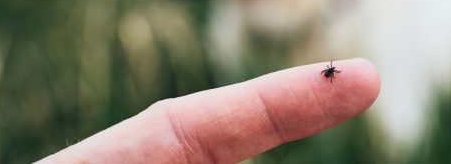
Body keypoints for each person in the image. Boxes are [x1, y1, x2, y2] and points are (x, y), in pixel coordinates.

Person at [36, 58, 380, 163]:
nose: (330, 73)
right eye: (331, 71)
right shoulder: (331, 75)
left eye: (330, 71)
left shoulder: (329, 74)